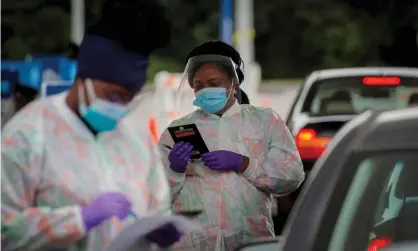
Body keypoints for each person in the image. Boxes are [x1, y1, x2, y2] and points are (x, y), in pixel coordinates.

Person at [1, 1, 182, 250]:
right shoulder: (26, 135)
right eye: (114, 96)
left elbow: (158, 206)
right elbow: (5, 229)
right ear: (82, 79)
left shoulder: (136, 137)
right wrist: (79, 219)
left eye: (130, 97)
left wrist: (160, 232)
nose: (122, 107)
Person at [158, 40, 305, 251]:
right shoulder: (179, 129)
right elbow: (156, 195)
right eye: (198, 86)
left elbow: (292, 177)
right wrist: (174, 170)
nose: (204, 91)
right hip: (193, 244)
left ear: (233, 83)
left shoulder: (264, 121)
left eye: (213, 83)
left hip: (250, 242)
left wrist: (244, 164)